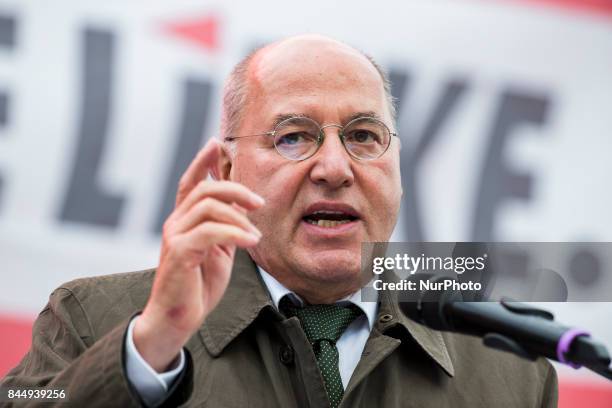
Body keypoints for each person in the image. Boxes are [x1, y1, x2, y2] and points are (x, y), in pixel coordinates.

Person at [1, 34, 557, 407]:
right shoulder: (93, 319)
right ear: (226, 169)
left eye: (364, 136)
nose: (335, 168)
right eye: (293, 137)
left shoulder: (507, 369)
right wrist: (148, 350)